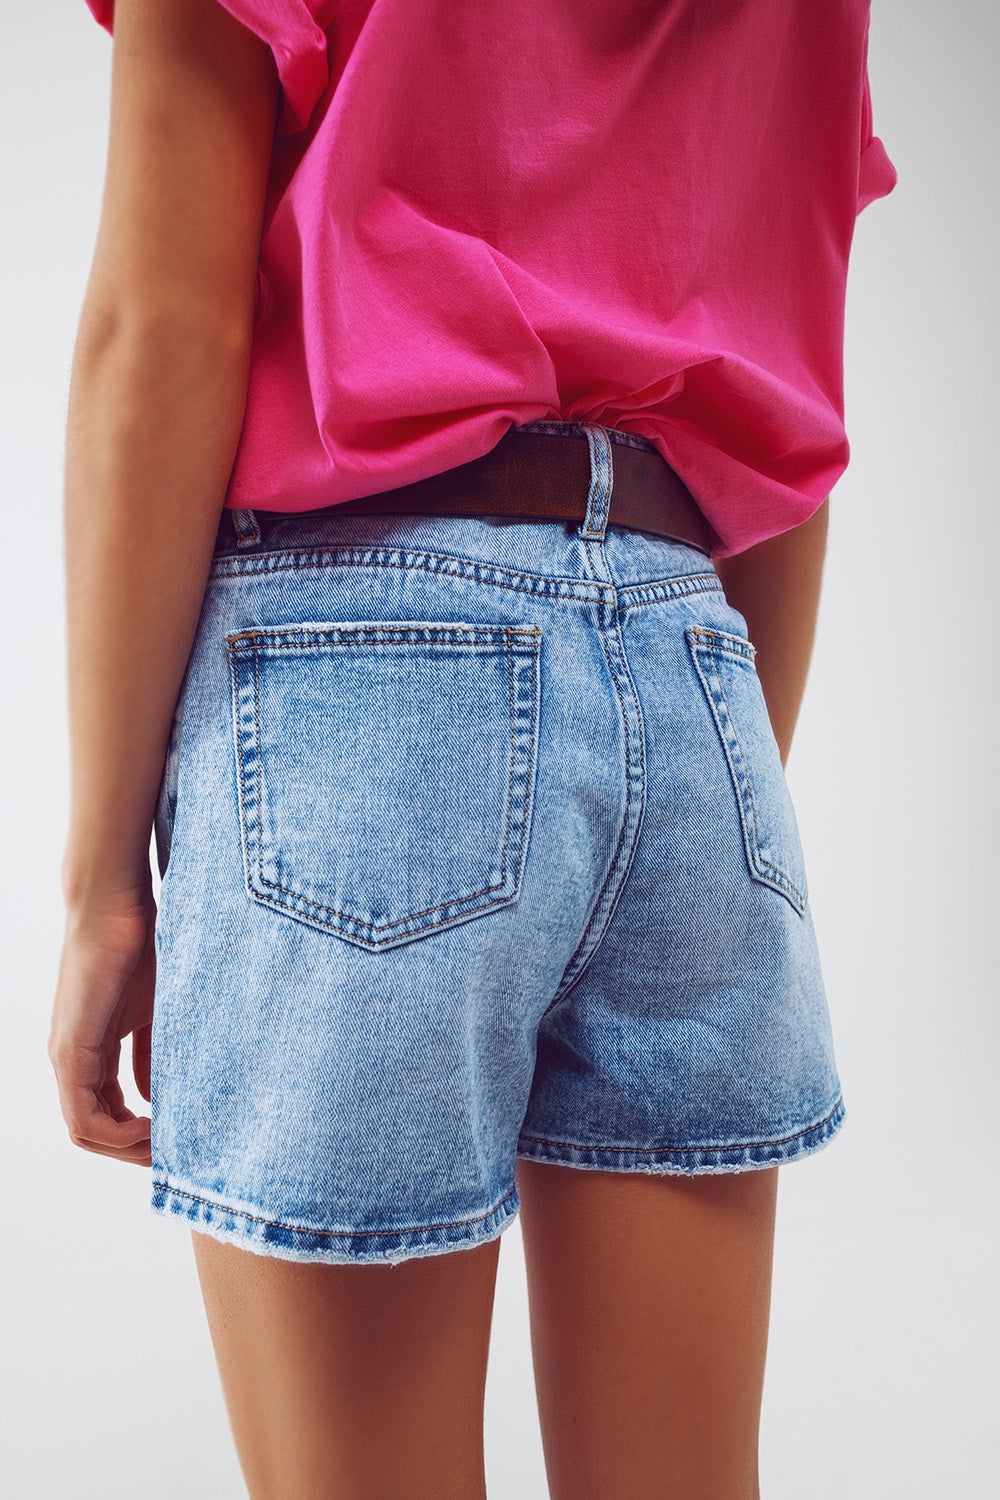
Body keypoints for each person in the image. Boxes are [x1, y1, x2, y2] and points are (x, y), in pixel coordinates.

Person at [48, 2, 896, 1496]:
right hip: (694, 653)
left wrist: (103, 882)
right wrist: (691, 792)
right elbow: (790, 397)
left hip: (366, 675)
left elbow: (163, 327)